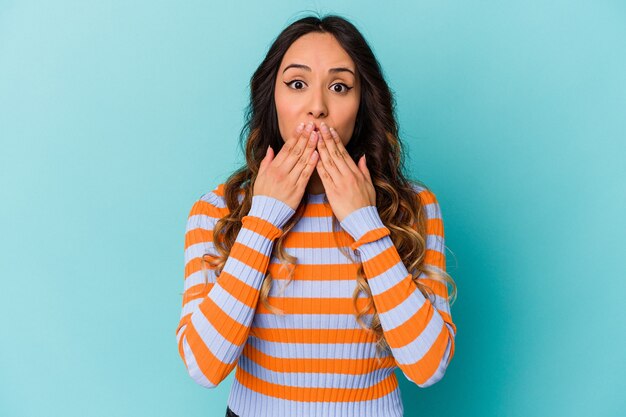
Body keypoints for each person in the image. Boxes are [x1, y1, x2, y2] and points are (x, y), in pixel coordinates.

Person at [175, 14, 458, 417]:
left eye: (340, 87)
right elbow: (204, 366)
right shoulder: (217, 210)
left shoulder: (414, 207)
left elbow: (428, 365)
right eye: (297, 84)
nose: (317, 108)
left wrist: (365, 222)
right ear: (271, 98)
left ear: (363, 105)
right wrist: (262, 222)